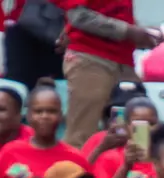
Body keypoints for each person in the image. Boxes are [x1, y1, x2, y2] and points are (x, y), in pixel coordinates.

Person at [59, 0, 155, 147]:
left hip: (123, 62)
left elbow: (117, 15)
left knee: (135, 136)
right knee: (82, 135)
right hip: (91, 58)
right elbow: (78, 15)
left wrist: (150, 36)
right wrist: (127, 31)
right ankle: (77, 170)